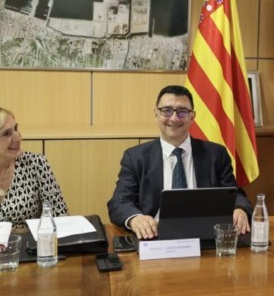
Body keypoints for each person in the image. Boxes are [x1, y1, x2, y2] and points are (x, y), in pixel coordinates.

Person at [107, 85, 252, 239]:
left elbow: (235, 194)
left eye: (182, 111)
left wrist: (240, 209)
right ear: (156, 114)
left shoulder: (216, 154)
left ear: (192, 117)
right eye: (167, 110)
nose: (174, 118)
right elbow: (119, 202)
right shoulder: (135, 157)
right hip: (154, 237)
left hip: (205, 237)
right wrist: (135, 218)